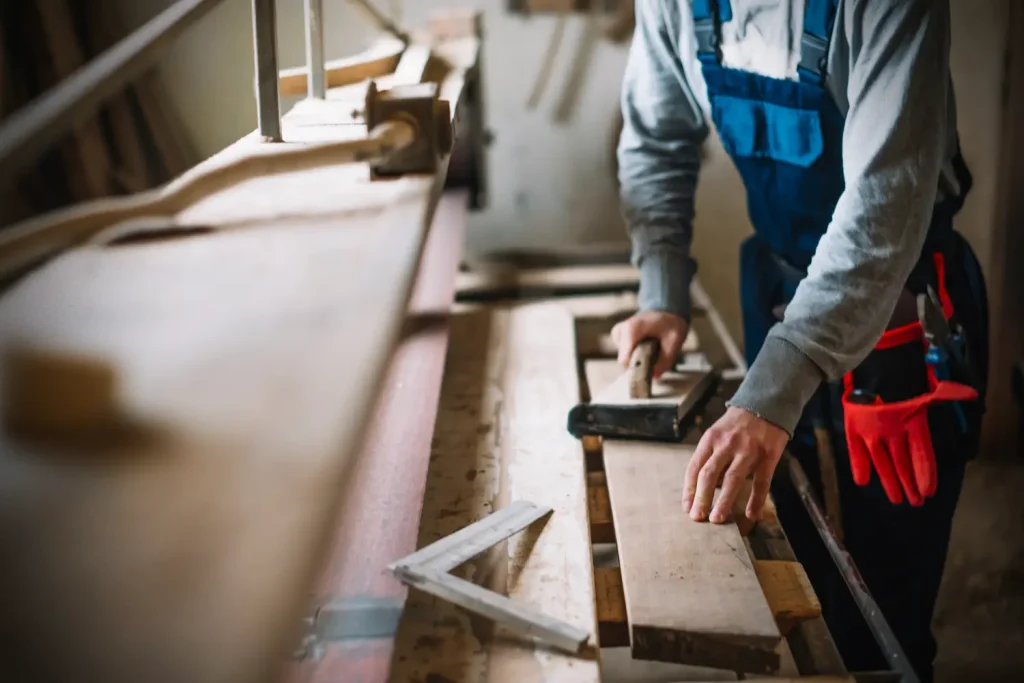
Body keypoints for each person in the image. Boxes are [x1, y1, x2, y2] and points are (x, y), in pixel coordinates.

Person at [612, 1, 989, 680]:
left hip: (898, 307)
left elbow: (884, 203)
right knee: (792, 576)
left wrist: (773, 388)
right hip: (779, 291)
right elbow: (655, 139)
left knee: (882, 612)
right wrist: (662, 289)